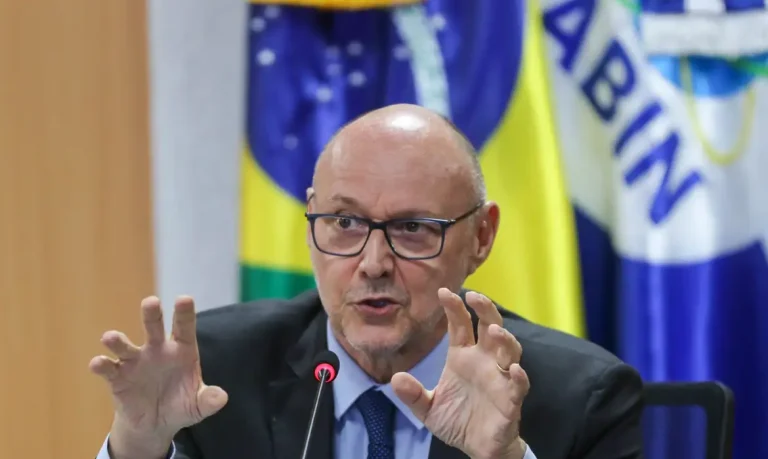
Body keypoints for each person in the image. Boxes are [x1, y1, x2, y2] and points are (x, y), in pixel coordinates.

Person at [92, 104, 644, 459]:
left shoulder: (580, 397)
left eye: (411, 228)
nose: (373, 262)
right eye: (346, 222)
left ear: (480, 237)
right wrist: (139, 445)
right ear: (312, 222)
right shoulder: (216, 372)